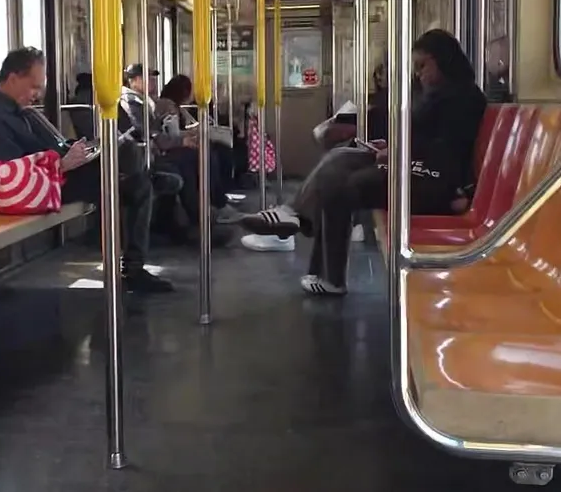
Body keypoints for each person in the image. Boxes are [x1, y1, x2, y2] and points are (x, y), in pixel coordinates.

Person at [242, 29, 486, 295]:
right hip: (416, 167)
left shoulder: (464, 99)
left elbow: (446, 151)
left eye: (423, 66)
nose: (419, 74)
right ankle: (294, 215)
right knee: (342, 157)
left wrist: (398, 153)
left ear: (443, 60)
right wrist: (392, 149)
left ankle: (326, 271)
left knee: (342, 187)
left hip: (435, 181)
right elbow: (423, 139)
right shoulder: (438, 95)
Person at [0, 48, 173, 293]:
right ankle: (135, 263)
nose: (37, 95)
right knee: (134, 177)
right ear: (13, 78)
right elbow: (12, 171)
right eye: (34, 87)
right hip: (38, 186)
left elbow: (53, 145)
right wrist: (61, 164)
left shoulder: (22, 112)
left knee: (127, 165)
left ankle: (143, 180)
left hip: (57, 174)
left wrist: (75, 151)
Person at [242, 61, 393, 254]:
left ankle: (288, 226)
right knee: (339, 160)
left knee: (341, 168)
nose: (381, 79)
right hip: (384, 155)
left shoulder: (398, 106)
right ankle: (290, 220)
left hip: (403, 167)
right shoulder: (386, 103)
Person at [154, 74, 241, 226]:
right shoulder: (166, 105)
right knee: (204, 155)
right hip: (167, 149)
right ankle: (212, 204)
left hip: (172, 144)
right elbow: (171, 132)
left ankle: (214, 201)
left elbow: (187, 124)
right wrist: (189, 136)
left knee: (213, 151)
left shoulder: (174, 106)